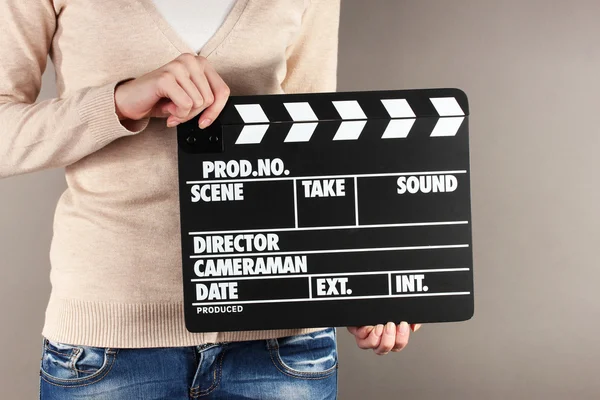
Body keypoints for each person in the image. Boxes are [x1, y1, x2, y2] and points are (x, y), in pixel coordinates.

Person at [0, 0, 420, 398]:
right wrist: (120, 101)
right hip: (108, 341)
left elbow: (314, 155)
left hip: (280, 341)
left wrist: (366, 283)